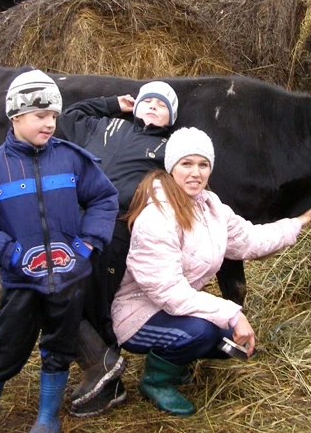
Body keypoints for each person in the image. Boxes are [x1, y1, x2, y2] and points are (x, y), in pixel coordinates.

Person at [111, 127, 311, 416]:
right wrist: (233, 313)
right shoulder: (157, 216)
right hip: (137, 314)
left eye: (203, 164)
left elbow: (250, 240)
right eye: (186, 164)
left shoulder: (210, 206)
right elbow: (168, 291)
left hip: (177, 306)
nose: (195, 173)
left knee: (224, 340)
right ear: (171, 166)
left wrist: (298, 222)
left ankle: (177, 358)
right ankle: (156, 382)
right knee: (203, 331)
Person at [0, 69, 119, 433]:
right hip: (21, 281)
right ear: (15, 116)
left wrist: (87, 244)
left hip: (69, 278)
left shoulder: (72, 159)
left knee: (59, 347)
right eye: (40, 116)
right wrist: (10, 254)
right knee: (5, 348)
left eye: (54, 117)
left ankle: (47, 417)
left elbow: (104, 198)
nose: (49, 124)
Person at [58, 80, 178, 417]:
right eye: (147, 100)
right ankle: (103, 368)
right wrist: (113, 104)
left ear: (171, 118)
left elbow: (191, 174)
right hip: (72, 223)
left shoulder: (169, 147)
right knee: (56, 293)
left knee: (97, 304)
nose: (153, 106)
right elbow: (70, 116)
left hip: (115, 230)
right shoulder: (106, 124)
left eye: (162, 105)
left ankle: (106, 382)